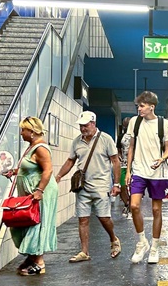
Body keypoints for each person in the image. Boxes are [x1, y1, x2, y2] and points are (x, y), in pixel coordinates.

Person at [55, 110, 122, 262]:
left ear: (93, 123)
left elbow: (115, 161)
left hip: (101, 185)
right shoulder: (77, 141)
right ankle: (84, 252)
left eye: (85, 125)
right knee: (83, 219)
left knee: (103, 218)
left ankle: (114, 239)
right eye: (81, 126)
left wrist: (116, 184)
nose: (83, 129)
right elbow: (70, 161)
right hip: (82, 186)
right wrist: (59, 176)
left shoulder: (105, 139)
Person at [125, 91, 168, 264]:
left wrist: (162, 159)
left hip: (158, 173)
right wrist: (129, 171)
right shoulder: (134, 122)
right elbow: (131, 147)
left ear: (152, 106)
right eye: (138, 106)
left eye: (142, 106)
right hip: (139, 170)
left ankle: (154, 247)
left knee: (156, 210)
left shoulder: (164, 124)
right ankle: (142, 242)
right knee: (134, 205)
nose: (139, 109)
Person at [8, 117, 58, 276]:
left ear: (32, 132)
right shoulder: (31, 147)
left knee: (37, 223)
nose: (21, 133)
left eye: (23, 130)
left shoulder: (41, 148)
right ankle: (32, 257)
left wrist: (40, 191)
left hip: (40, 192)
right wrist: (15, 172)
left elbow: (48, 170)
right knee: (26, 223)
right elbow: (29, 168)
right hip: (30, 193)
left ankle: (39, 262)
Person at [116, 116, 132, 218]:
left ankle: (131, 206)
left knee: (132, 187)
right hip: (123, 164)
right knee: (122, 186)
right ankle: (127, 203)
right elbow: (118, 150)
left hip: (135, 165)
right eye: (126, 124)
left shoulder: (137, 136)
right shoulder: (121, 136)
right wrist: (119, 157)